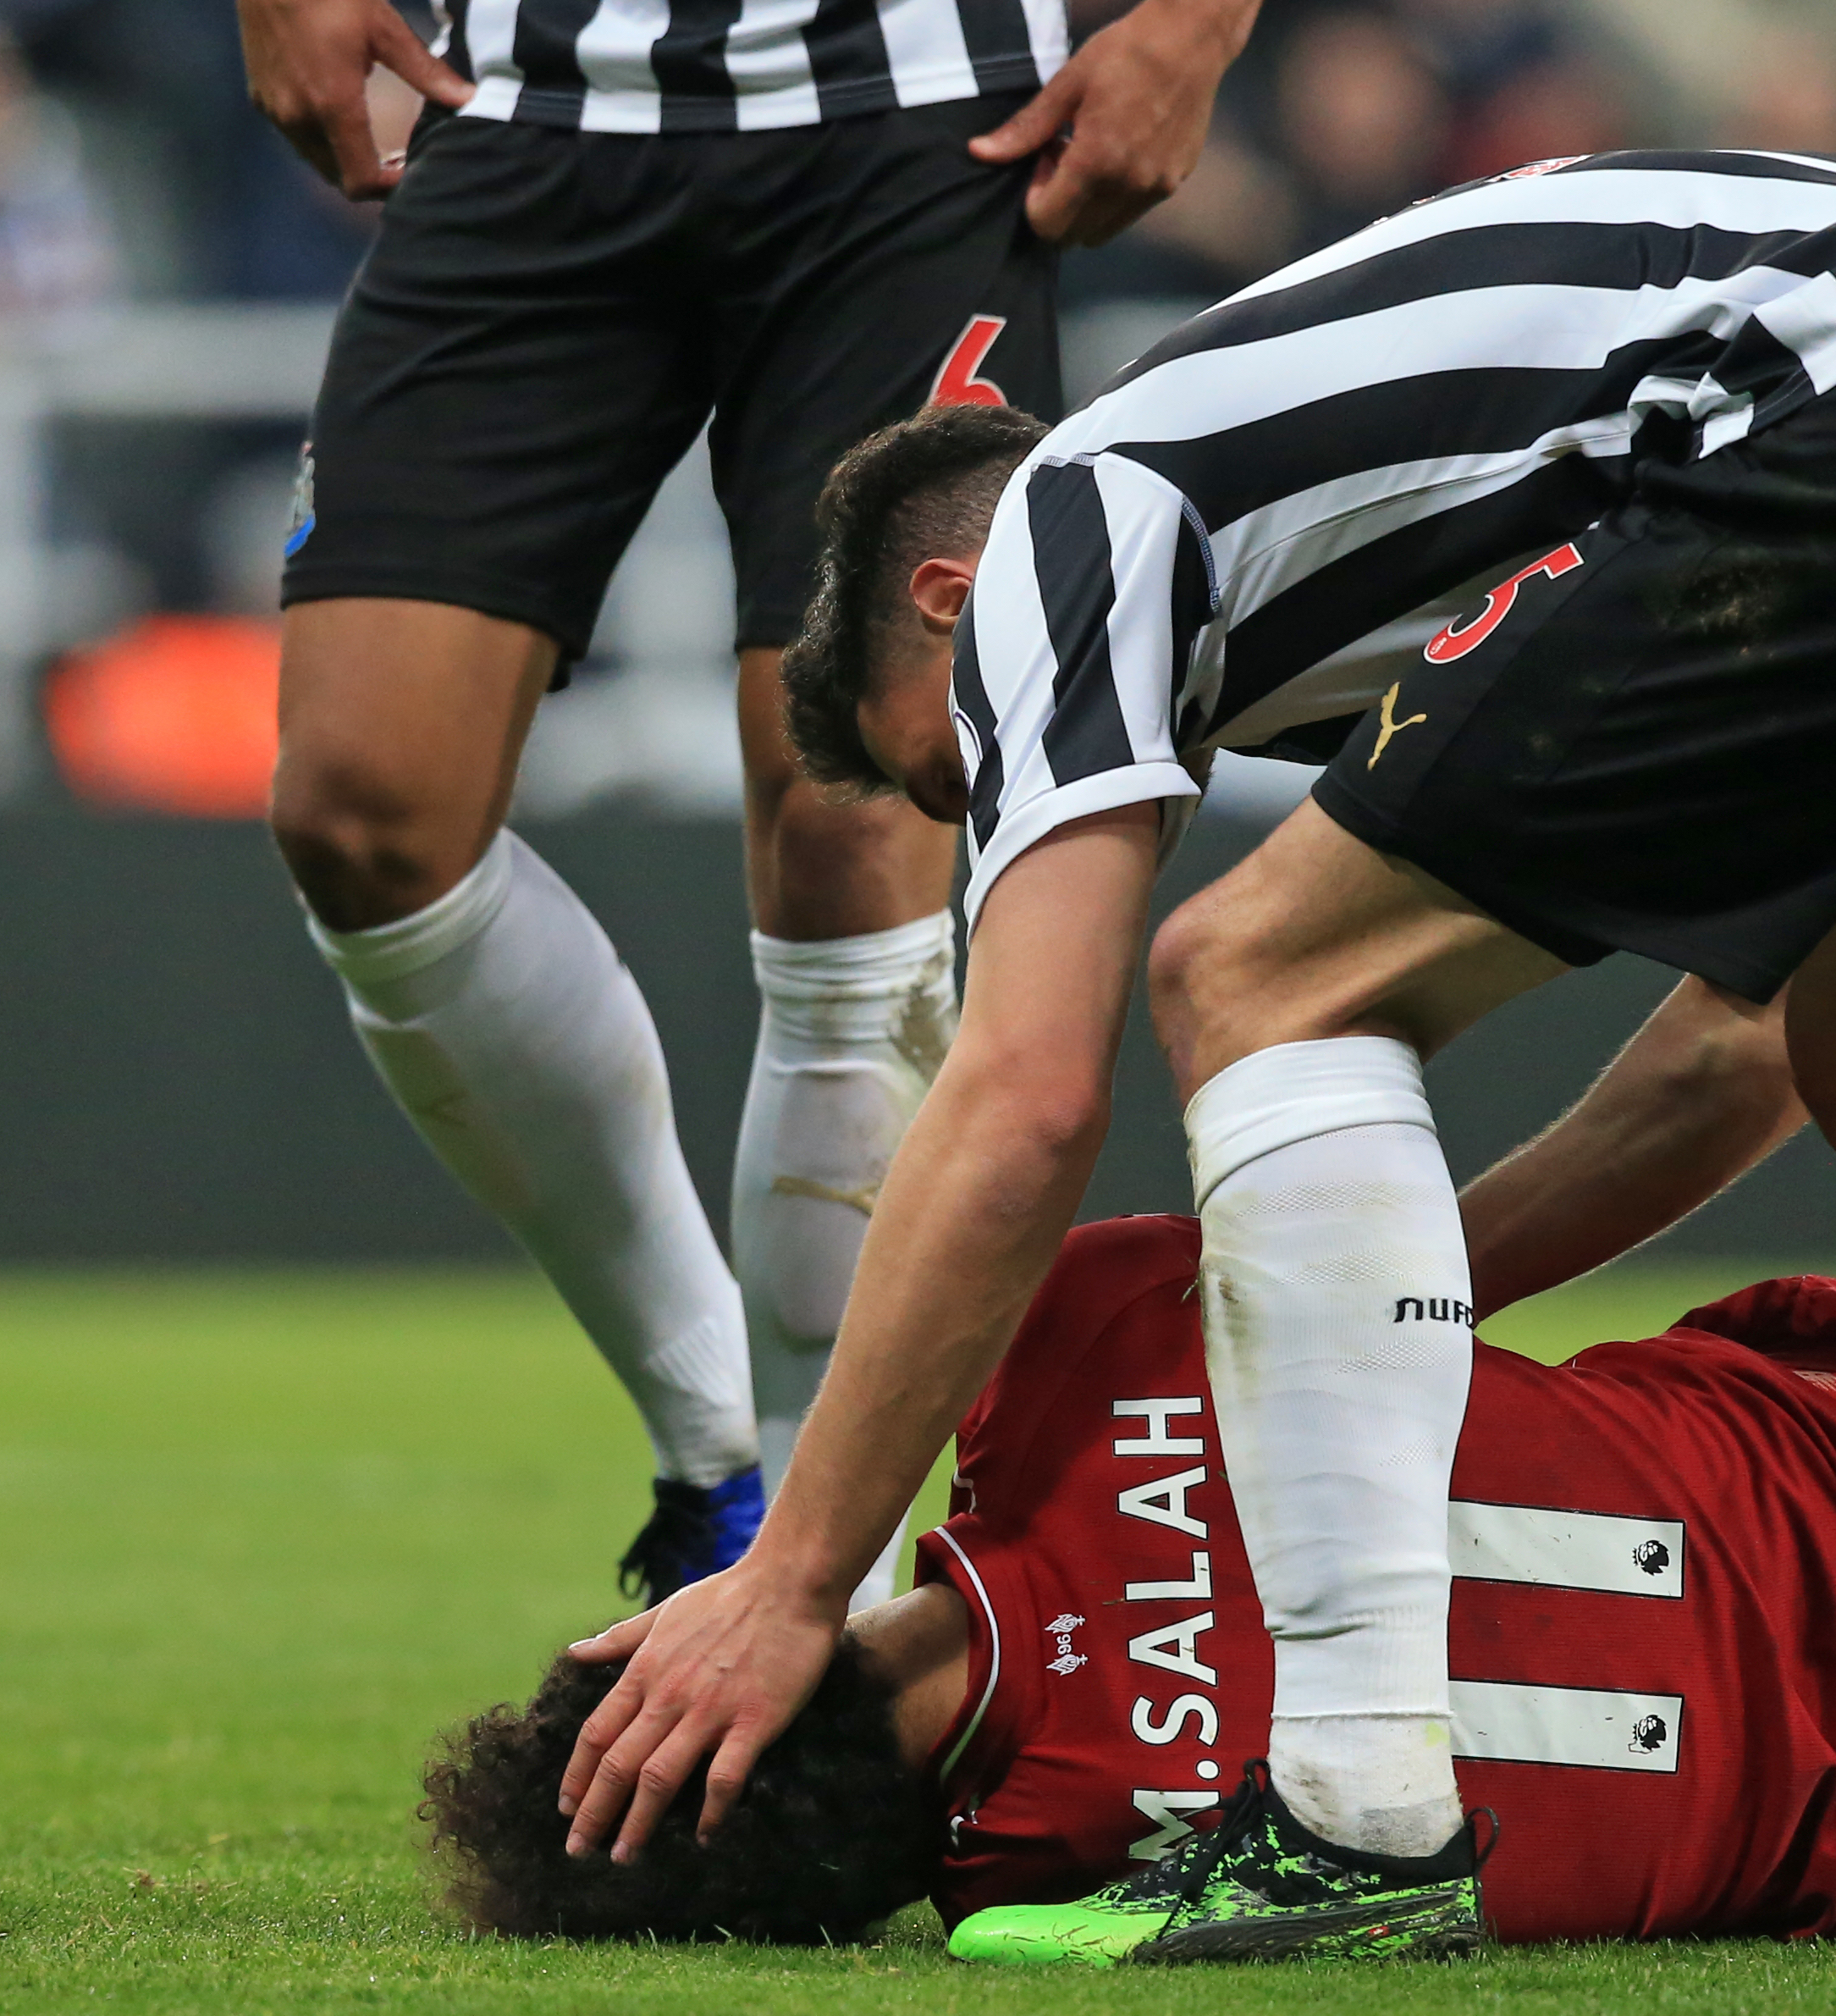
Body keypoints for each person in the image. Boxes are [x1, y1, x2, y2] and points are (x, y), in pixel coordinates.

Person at [561, 148, 1836, 1957]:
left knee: (1246, 972)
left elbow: (1030, 1091)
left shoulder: (1081, 505)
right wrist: (1356, 1330)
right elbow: (1746, 1048)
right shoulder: (1409, 534)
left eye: (957, 776)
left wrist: (796, 1578)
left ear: (946, 612)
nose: (1001, 819)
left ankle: (1359, 1814)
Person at [239, 0, 1258, 1600]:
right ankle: (712, 1434)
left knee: (861, 807)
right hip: (527, 96)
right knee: (364, 803)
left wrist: (1195, 25)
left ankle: (811, 1584)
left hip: (920, 120)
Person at [428, 1215, 1836, 1951]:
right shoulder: (1059, 1351)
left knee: (1750, 1772)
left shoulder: (1064, 1870)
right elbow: (1413, 1236)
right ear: (663, 1644)